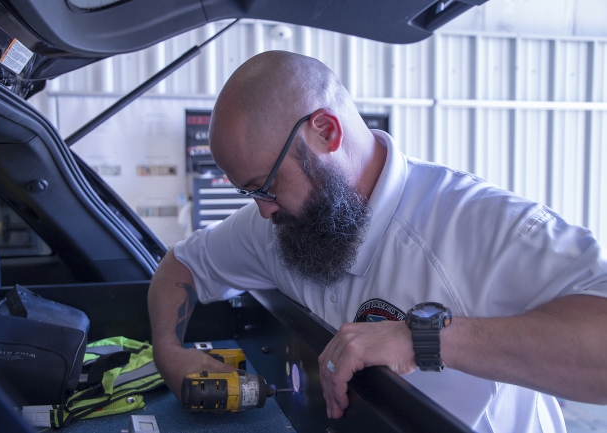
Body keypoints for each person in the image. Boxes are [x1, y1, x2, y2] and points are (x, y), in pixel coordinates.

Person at [148, 50, 607, 432]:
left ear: (326, 131)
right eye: (249, 193)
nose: (263, 209)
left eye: (265, 185)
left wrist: (423, 340)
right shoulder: (277, 224)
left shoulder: (475, 224)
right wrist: (169, 352)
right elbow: (182, 267)